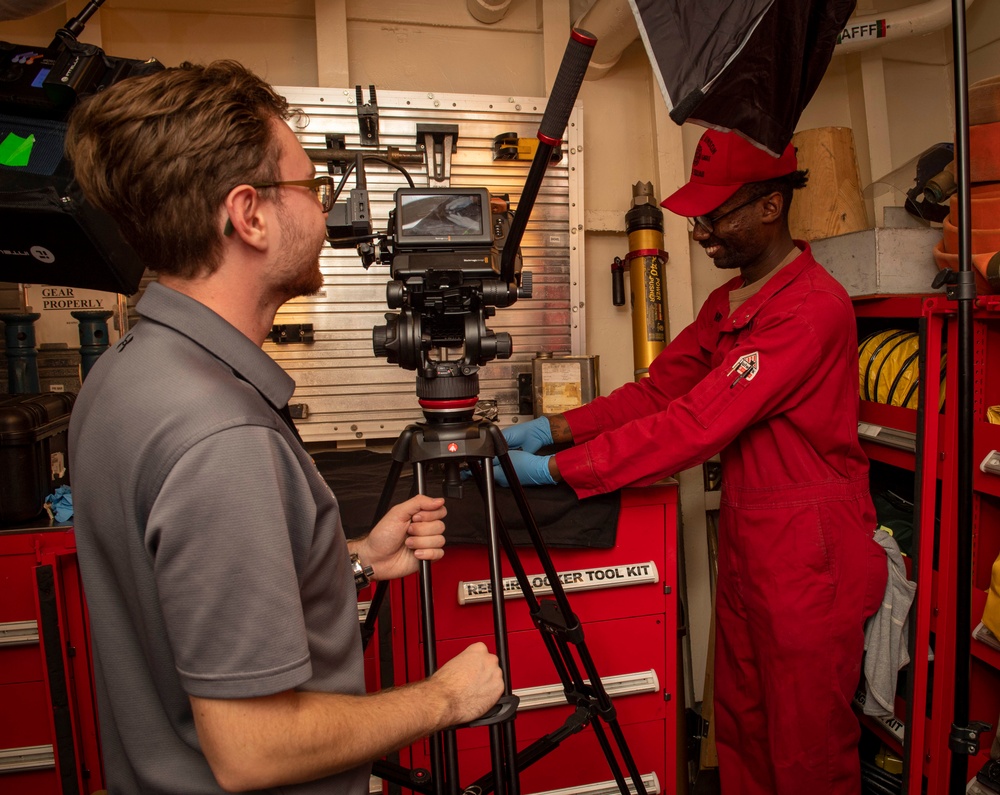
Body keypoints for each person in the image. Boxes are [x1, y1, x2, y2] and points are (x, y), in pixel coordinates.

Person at [65, 60, 503, 795]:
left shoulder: (123, 373)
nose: (324, 213)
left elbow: (191, 599)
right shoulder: (221, 435)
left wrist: (354, 560)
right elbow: (253, 748)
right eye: (310, 187)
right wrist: (442, 699)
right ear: (250, 214)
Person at [495, 128, 888, 795]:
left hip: (809, 553)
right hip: (751, 541)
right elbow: (658, 390)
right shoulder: (727, 303)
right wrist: (554, 427)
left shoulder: (810, 310)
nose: (701, 231)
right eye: (697, 215)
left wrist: (563, 470)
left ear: (769, 206)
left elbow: (699, 422)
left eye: (715, 214)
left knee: (806, 748)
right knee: (742, 722)